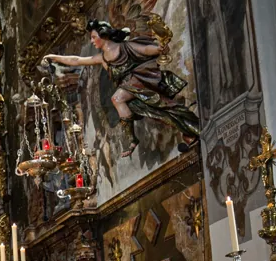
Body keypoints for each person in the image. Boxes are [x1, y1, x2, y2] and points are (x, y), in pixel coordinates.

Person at [44, 20, 199, 158]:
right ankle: (189, 129)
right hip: (132, 91)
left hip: (140, 82)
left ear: (103, 35)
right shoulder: (102, 58)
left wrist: (158, 49)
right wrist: (54, 57)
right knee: (165, 111)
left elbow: (144, 50)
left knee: (117, 98)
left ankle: (132, 140)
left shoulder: (125, 47)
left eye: (93, 37)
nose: (92, 41)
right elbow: (76, 60)